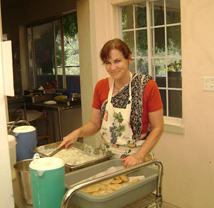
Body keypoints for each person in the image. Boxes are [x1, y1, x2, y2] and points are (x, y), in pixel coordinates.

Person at [58, 38, 164, 167]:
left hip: (137, 158)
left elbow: (157, 127)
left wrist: (139, 156)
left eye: (117, 61)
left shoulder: (147, 86)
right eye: (108, 63)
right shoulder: (101, 87)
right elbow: (95, 123)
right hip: (106, 157)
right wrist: (76, 133)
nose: (113, 67)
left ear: (129, 59)